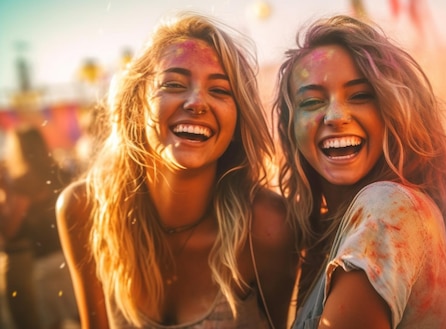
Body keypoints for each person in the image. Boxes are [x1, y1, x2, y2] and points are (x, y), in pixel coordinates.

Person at [56, 12, 299, 329]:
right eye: (173, 84)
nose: (197, 102)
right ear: (136, 103)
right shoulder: (84, 210)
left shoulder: (267, 228)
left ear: (238, 120)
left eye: (220, 90)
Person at [273, 15, 446, 328]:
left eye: (360, 95)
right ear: (291, 129)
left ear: (393, 110)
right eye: (313, 101)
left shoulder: (386, 208)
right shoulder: (336, 231)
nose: (336, 116)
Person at [0, 125, 79, 329]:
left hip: (42, 265)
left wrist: (5, 190)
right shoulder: (59, 172)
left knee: (54, 323)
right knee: (84, 316)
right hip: (69, 257)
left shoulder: (22, 183)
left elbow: (11, 230)